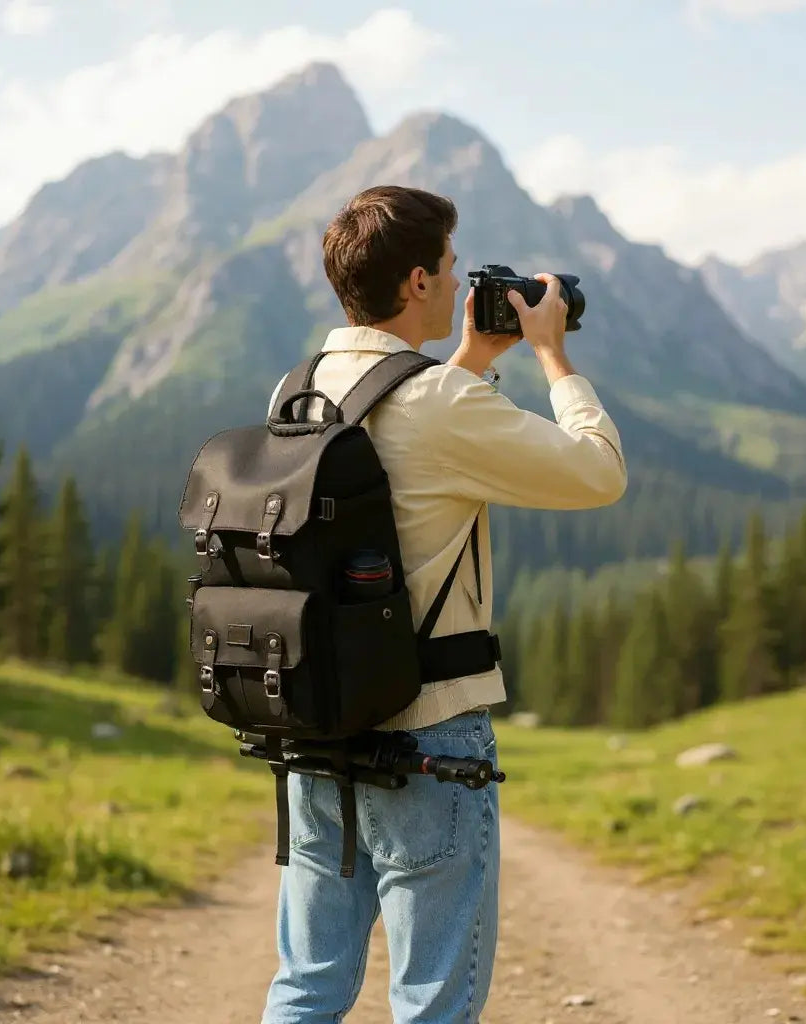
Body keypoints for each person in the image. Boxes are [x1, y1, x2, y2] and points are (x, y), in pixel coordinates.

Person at [260, 185, 626, 1024]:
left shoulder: (298, 387)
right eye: (453, 268)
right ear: (419, 281)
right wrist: (553, 357)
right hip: (430, 736)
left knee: (308, 985)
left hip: (318, 729)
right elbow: (598, 473)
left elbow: (393, 446)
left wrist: (470, 358)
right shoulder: (442, 403)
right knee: (431, 1001)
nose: (462, 283)